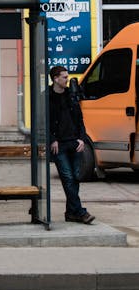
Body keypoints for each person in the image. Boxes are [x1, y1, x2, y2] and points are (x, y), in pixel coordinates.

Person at [49, 66, 95, 225]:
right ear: (55, 78)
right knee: (68, 178)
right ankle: (80, 212)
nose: (67, 79)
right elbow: (42, 121)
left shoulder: (71, 95)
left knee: (75, 178)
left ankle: (71, 213)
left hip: (74, 143)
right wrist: (52, 139)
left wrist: (82, 138)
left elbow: (80, 120)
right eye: (64, 77)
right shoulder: (47, 96)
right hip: (59, 145)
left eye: (67, 77)